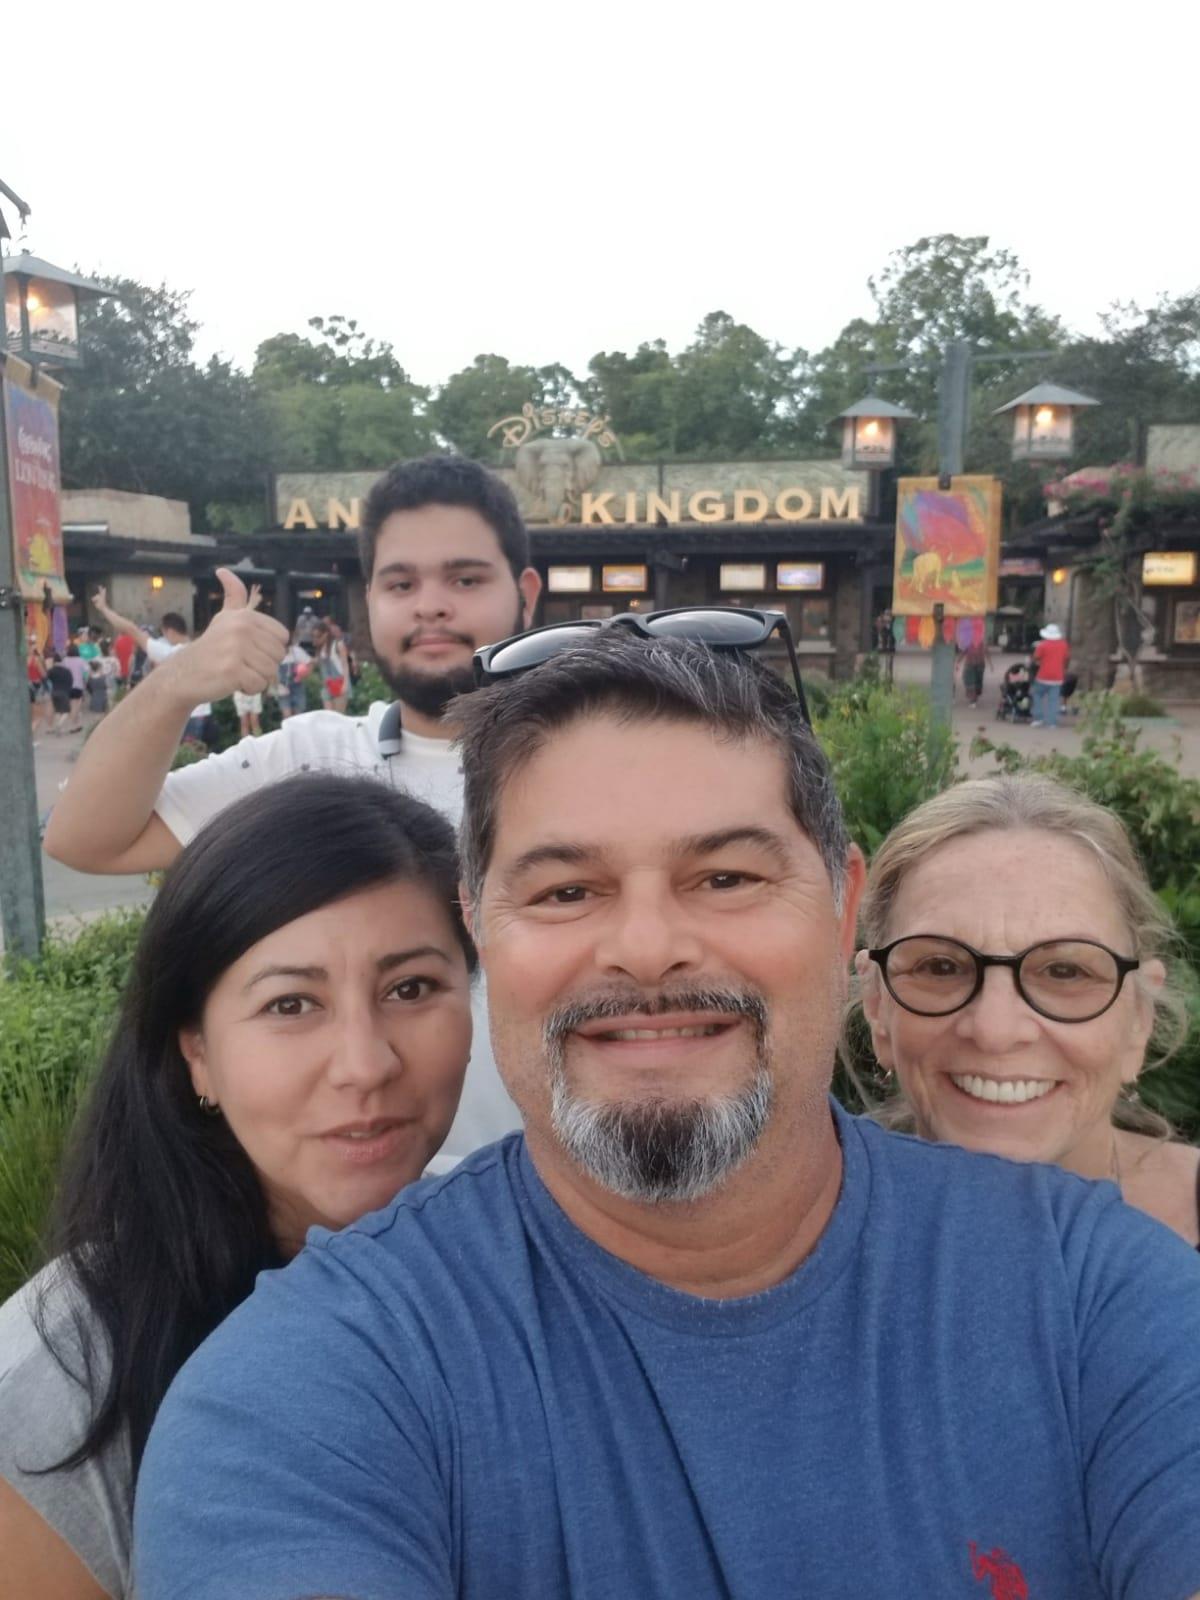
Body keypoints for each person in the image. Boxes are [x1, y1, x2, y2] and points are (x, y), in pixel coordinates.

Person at [134, 628, 1200, 1600]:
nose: (645, 946)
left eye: (726, 875)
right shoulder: (312, 1394)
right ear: (480, 931)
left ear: (841, 909)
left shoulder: (1098, 1300)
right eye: (564, 892)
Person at [0, 774, 474, 1600]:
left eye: (411, 989)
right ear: (198, 1053)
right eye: (292, 1004)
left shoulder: (513, 1250)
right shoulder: (60, 1385)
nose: (366, 1064)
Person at [44, 455, 542, 1171]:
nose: (431, 604)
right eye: (401, 583)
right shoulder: (310, 759)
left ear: (522, 591)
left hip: (562, 1204)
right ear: (368, 599)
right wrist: (181, 680)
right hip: (354, 1212)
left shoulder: (591, 764)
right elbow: (86, 838)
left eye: (465, 579)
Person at [853, 773, 1200, 1247]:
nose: (995, 1031)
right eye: (940, 966)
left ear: (1138, 1020)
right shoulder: (792, 1245)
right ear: (878, 1007)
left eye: (1064, 972)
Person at [88, 588, 213, 743]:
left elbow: (131, 629)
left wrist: (104, 608)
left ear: (169, 630)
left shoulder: (172, 653)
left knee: (181, 762)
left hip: (186, 717)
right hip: (204, 713)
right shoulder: (201, 648)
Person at [1031, 621, 1070, 727]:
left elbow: (1035, 658)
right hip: (1058, 676)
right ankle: (1052, 722)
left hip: (1043, 675)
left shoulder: (1042, 645)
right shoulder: (1063, 645)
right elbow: (1066, 658)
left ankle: (1038, 718)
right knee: (1054, 700)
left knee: (1037, 695)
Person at [313, 617, 350, 714]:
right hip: (326, 683)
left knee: (338, 715)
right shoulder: (320, 648)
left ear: (326, 634)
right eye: (314, 636)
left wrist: (346, 684)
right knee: (328, 716)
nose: (317, 639)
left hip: (339, 681)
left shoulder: (338, 644)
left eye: (319, 636)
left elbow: (345, 665)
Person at [275, 630, 311, 719]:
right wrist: (278, 685)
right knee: (286, 715)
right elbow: (271, 672)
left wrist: (303, 675)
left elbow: (310, 663)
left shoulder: (297, 651)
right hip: (283, 688)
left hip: (297, 686)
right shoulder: (275, 653)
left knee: (299, 715)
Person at [957, 633, 993, 707]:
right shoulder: (968, 644)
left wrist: (991, 664)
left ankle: (974, 700)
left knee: (977, 683)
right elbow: (962, 654)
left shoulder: (982, 644)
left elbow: (987, 653)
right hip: (970, 666)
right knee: (970, 682)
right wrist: (958, 663)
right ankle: (973, 700)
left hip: (979, 666)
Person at [45, 652, 73, 734]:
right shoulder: (67, 671)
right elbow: (71, 682)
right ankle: (59, 724)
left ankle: (59, 730)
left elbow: (47, 680)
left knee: (57, 711)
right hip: (64, 692)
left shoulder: (51, 671)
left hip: (54, 692)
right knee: (66, 711)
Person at [62, 644, 87, 733]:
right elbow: (86, 670)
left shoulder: (65, 660)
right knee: (76, 707)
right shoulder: (81, 660)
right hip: (78, 685)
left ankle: (77, 725)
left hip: (68, 686)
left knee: (73, 706)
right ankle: (72, 726)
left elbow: (63, 671)